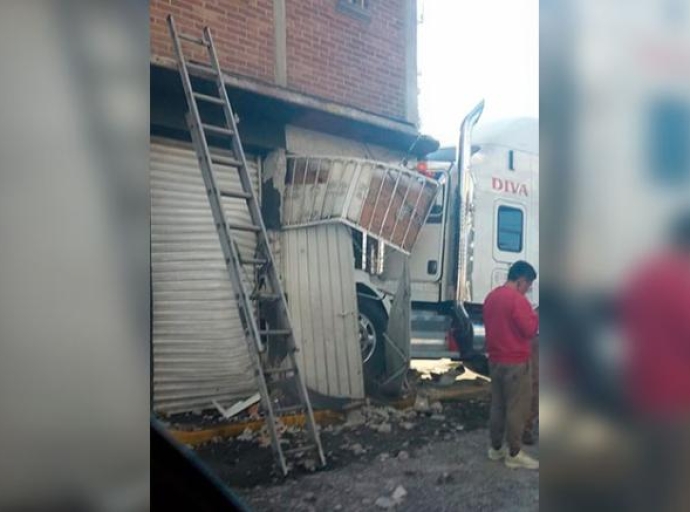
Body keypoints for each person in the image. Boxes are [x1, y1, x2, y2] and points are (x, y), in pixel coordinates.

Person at [484, 261, 539, 469]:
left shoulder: (491, 297)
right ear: (521, 280)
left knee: (497, 405)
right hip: (516, 363)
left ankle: (496, 448)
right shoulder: (518, 301)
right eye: (529, 285)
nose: (529, 289)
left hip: (495, 360)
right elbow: (530, 330)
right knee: (517, 408)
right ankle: (514, 453)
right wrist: (535, 315)